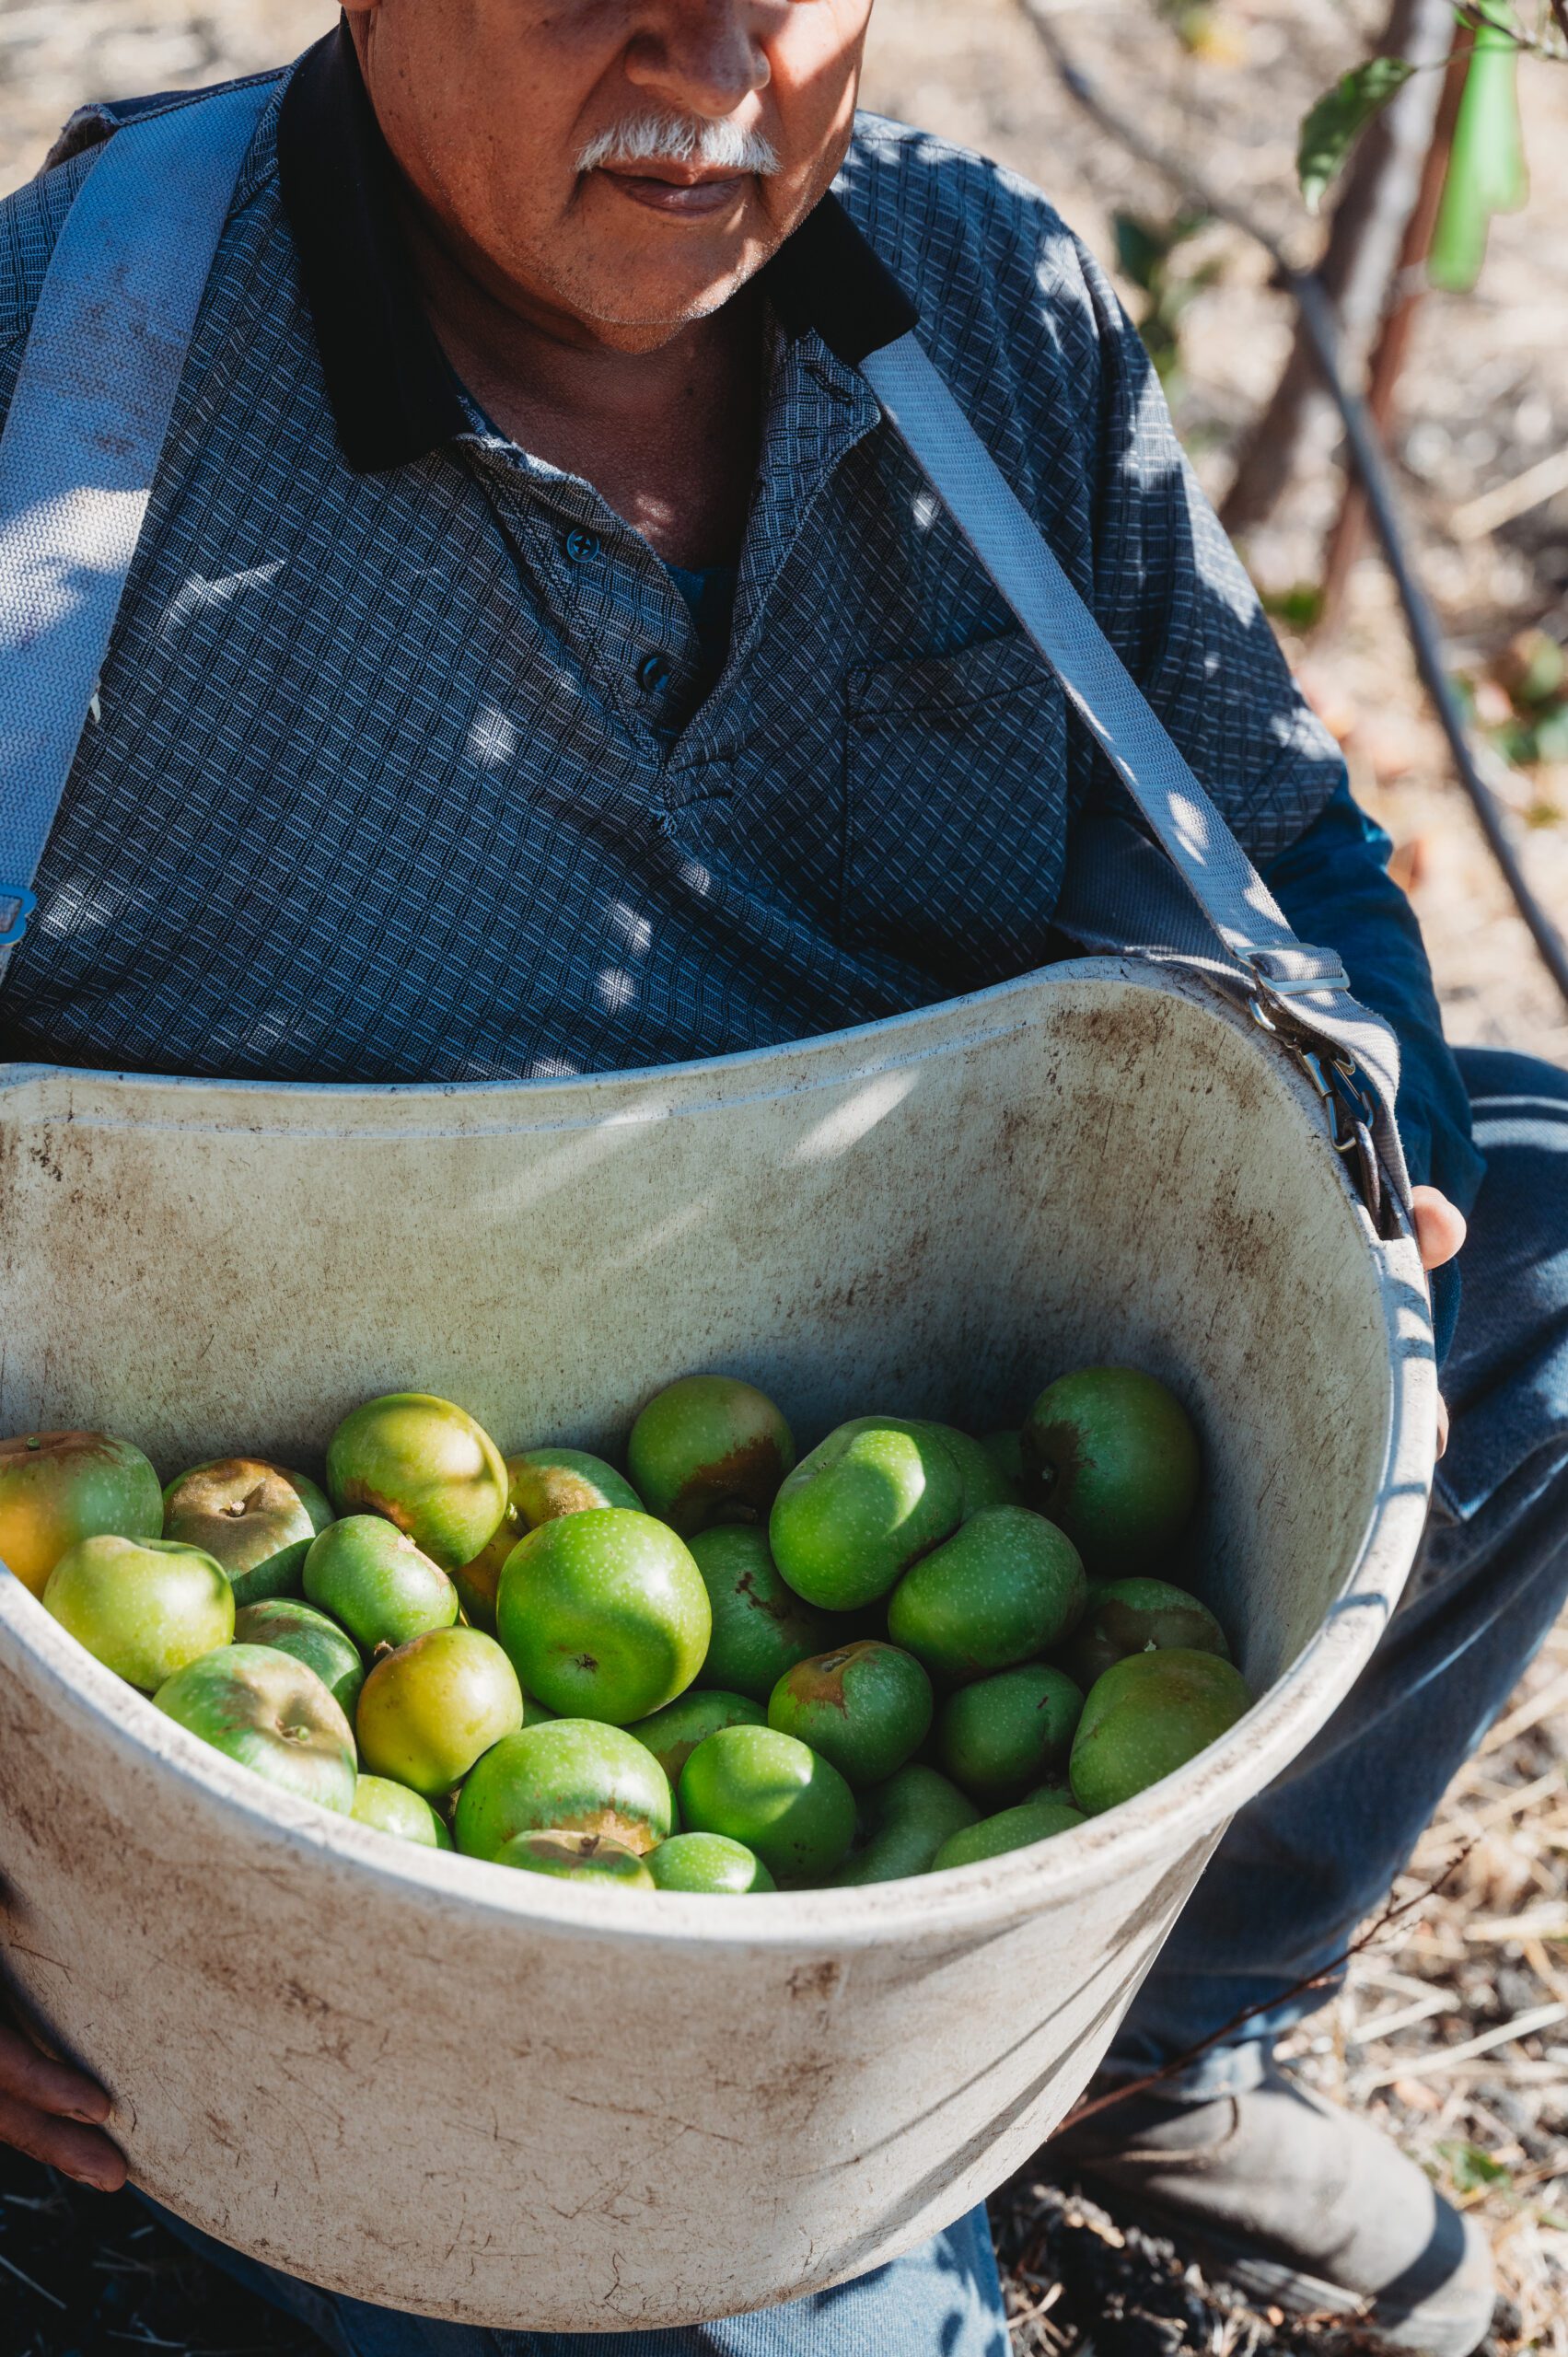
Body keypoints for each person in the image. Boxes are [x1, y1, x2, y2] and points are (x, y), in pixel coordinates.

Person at [0, 3, 1562, 2352]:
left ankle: (1132, 2033)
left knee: (1530, 1235)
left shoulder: (976, 305)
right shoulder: (68, 390)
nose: (704, 46)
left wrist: (1361, 1141)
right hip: (288, 1699)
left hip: (908, 1430)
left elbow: (1272, 850)